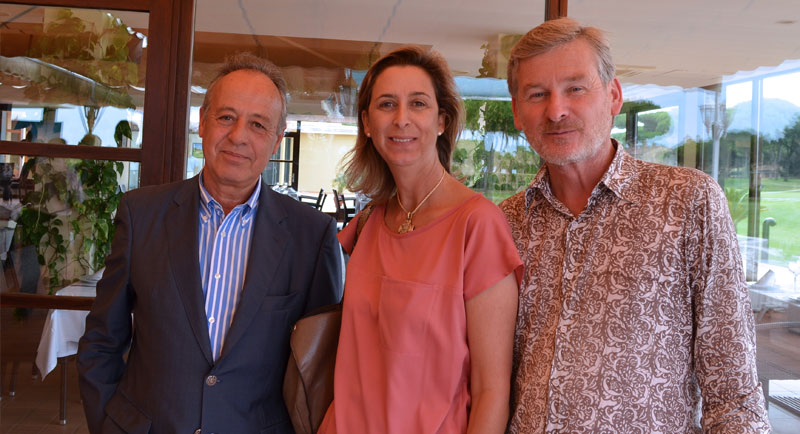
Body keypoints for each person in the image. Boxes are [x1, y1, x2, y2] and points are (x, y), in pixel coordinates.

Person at [500, 18, 771, 432]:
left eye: (576, 88)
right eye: (537, 94)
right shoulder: (505, 223)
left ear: (613, 96)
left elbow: (733, 390)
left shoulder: (687, 201)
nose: (556, 109)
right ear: (518, 112)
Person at [77, 52, 343, 434]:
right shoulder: (141, 214)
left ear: (276, 140)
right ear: (202, 123)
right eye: (226, 117)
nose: (238, 136)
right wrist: (110, 425)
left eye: (258, 124)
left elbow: (318, 369)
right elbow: (102, 339)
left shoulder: (311, 234)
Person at [318, 47, 522, 434]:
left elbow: (492, 391)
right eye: (386, 104)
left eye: (418, 104)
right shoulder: (367, 225)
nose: (401, 119)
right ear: (366, 122)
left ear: (442, 120)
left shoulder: (476, 226)